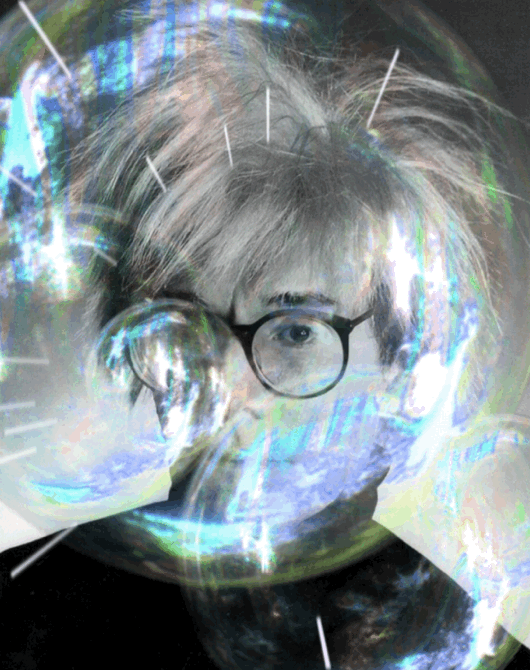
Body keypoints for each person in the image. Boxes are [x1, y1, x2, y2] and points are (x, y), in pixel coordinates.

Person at [1, 0, 530, 660]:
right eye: (188, 325)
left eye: (295, 332)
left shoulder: (477, 616)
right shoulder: (33, 615)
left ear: (408, 351)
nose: (230, 385)